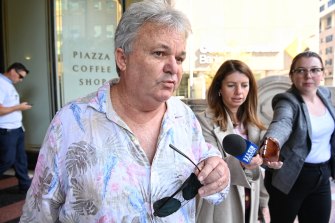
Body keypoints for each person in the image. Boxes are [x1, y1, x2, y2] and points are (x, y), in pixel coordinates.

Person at [20, 1, 230, 222]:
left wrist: (218, 171)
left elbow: (209, 170)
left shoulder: (183, 116)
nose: (174, 68)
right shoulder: (72, 122)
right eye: (159, 53)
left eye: (179, 58)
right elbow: (38, 213)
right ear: (123, 58)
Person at [261, 51, 335, 223]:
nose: (308, 75)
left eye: (315, 70)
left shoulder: (324, 94)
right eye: (301, 70)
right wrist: (270, 151)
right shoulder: (287, 101)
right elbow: (281, 124)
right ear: (291, 75)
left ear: (323, 73)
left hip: (322, 176)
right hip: (291, 177)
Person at [196, 60, 270, 223]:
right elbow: (209, 166)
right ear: (219, 88)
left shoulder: (254, 124)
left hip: (251, 201)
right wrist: (243, 163)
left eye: (244, 85)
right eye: (231, 85)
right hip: (222, 206)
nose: (239, 92)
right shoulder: (203, 121)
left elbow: (258, 169)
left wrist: (263, 203)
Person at [0, 62, 32, 193]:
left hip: (17, 128)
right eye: (20, 76)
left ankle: (25, 185)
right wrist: (19, 107)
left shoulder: (8, 84)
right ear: (12, 71)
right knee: (7, 160)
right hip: (7, 129)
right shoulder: (1, 84)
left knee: (21, 160)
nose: (21, 80)